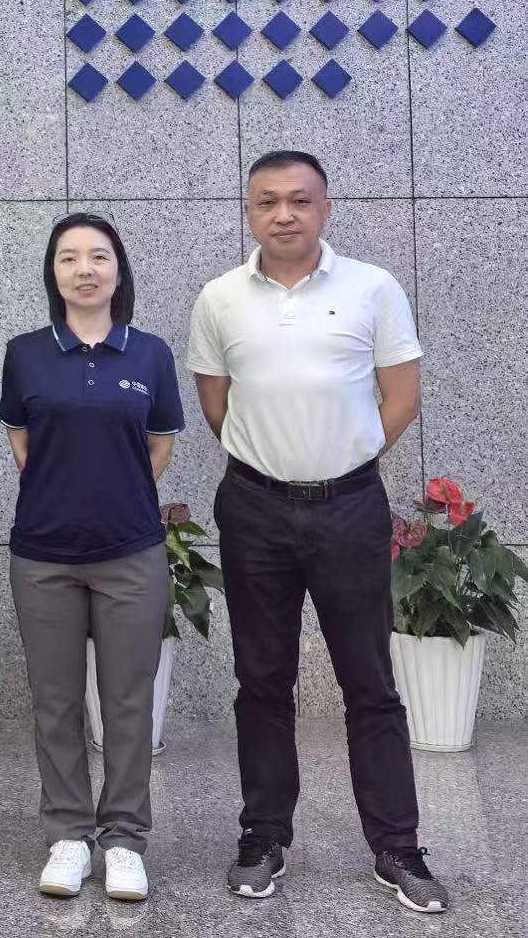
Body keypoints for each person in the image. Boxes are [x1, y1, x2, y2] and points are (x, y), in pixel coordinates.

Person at [188, 150, 449, 913]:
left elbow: (402, 396)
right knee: (262, 679)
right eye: (268, 200)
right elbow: (217, 405)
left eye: (300, 200)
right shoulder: (219, 298)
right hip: (254, 508)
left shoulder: (373, 287)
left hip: (350, 508)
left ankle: (397, 845)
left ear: (326, 209)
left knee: (370, 681)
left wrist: (345, 459)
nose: (284, 213)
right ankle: (263, 836)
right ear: (249, 211)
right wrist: (276, 464)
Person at [0, 213, 183, 903]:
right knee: (55, 701)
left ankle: (125, 839)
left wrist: (116, 495)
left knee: (128, 702)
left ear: (118, 270)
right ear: (53, 272)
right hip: (43, 554)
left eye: (99, 256)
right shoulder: (25, 353)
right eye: (69, 257)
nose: (85, 268)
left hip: (130, 552)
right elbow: (23, 441)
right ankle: (70, 835)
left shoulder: (150, 354)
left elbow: (159, 445)